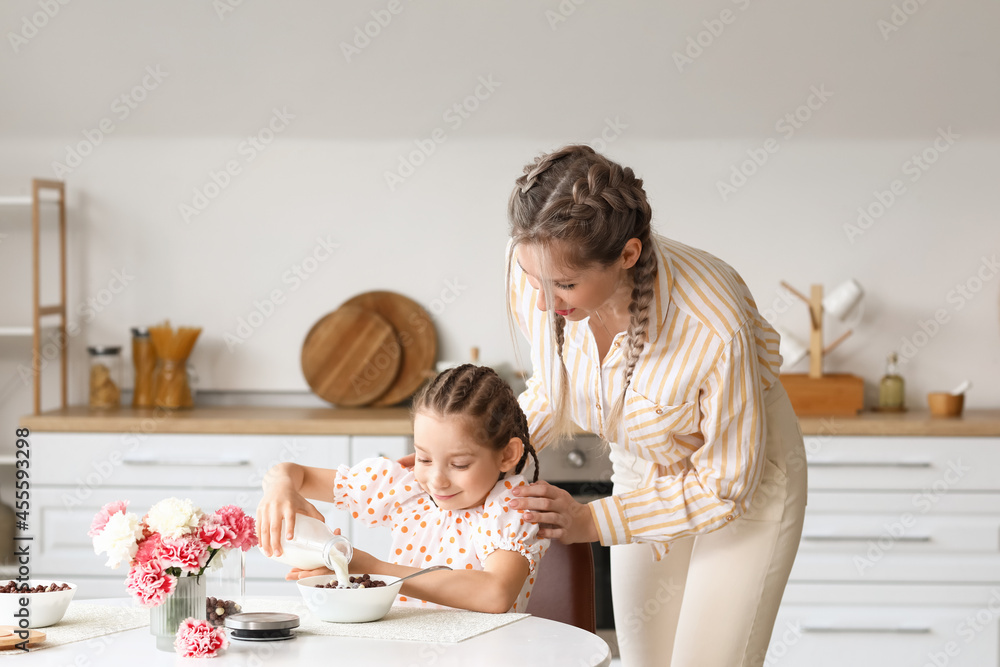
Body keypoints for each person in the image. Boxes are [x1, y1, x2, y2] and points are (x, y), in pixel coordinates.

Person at [502, 145, 807, 666]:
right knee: (644, 660)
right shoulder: (538, 263)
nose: (542, 302)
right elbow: (556, 395)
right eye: (534, 280)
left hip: (743, 485)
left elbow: (726, 485)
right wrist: (479, 448)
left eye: (565, 286)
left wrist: (591, 523)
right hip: (644, 464)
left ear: (627, 255)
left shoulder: (710, 322)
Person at [257, 364, 548, 613]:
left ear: (507, 455)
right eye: (424, 458)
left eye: (459, 464)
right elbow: (295, 475)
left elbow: (494, 593)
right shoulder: (406, 489)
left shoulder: (510, 508)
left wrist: (371, 568)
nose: (437, 480)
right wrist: (281, 485)